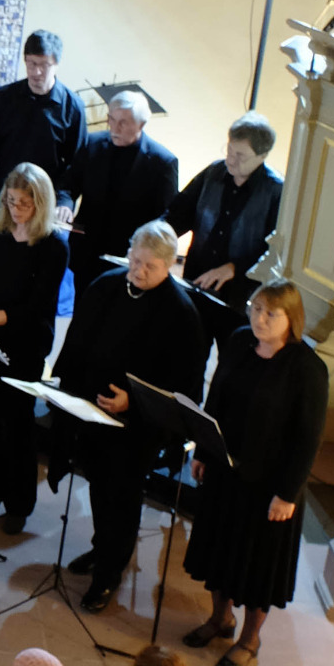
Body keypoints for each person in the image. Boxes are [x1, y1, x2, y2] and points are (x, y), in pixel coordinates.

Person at [53, 221, 206, 613]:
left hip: (137, 428)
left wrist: (132, 404)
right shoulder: (106, 285)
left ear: (171, 266)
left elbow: (182, 387)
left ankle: (109, 573)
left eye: (149, 267)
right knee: (96, 483)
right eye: (134, 260)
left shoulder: (182, 314)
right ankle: (101, 548)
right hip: (92, 410)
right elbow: (76, 344)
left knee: (121, 496)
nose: (137, 271)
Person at [181, 280, 327, 666]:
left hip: (270, 487)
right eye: (255, 308)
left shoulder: (307, 369)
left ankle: (250, 638)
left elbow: (308, 437)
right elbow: (217, 400)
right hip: (227, 474)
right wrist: (204, 452)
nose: (260, 319)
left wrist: (287, 493)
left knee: (256, 566)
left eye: (271, 313)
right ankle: (219, 619)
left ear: (290, 319)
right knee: (218, 551)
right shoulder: (239, 341)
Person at [0, 165, 69, 534]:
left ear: (41, 203)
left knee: (16, 427)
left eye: (24, 204)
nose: (16, 210)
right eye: (11, 201)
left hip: (25, 344)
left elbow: (34, 310)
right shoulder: (1, 233)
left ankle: (19, 504)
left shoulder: (54, 246)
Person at [53, 89, 178, 293]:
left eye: (123, 122)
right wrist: (65, 205)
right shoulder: (92, 143)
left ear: (141, 124)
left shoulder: (162, 162)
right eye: (111, 119)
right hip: (87, 251)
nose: (114, 128)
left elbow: (165, 217)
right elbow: (68, 185)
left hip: (129, 259)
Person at [163, 113, 283, 317]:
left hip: (241, 291)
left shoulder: (275, 191)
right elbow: (179, 213)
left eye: (240, 155)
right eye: (229, 149)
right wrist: (158, 237)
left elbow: (275, 249)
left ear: (262, 157)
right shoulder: (213, 173)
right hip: (198, 276)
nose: (230, 159)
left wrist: (233, 268)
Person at [0, 29, 87, 207]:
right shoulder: (4, 97)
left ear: (56, 64)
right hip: (4, 198)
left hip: (45, 202)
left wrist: (64, 202)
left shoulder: (73, 106)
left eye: (44, 65)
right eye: (31, 63)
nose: (36, 72)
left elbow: (76, 165)